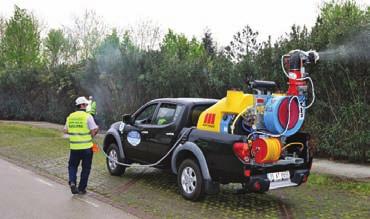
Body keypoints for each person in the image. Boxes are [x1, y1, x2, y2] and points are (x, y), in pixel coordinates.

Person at [64, 96, 99, 195]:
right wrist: (96, 130)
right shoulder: (88, 116)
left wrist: (75, 131)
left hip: (74, 148)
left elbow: (65, 130)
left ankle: (72, 182)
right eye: (86, 104)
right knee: (86, 168)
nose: (87, 106)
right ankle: (81, 189)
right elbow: (93, 131)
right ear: (82, 105)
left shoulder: (70, 116)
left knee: (72, 166)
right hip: (87, 148)